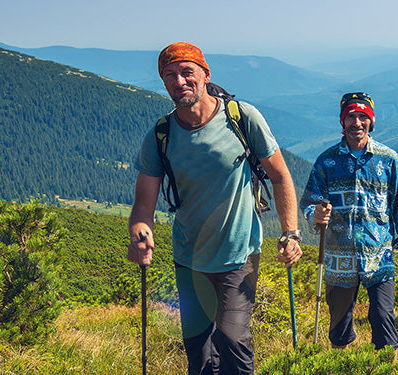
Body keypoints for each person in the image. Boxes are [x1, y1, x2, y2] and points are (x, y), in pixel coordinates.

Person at [127, 42, 302, 375]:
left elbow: (280, 176)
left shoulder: (241, 118)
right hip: (189, 260)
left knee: (233, 341)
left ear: (205, 75)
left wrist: (290, 231)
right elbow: (142, 208)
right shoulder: (160, 136)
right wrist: (140, 233)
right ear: (163, 83)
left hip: (239, 255)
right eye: (170, 76)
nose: (179, 81)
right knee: (199, 353)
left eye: (186, 72)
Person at [300, 92, 398, 351]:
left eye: (362, 117)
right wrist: (315, 215)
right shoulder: (327, 161)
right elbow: (310, 200)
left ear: (371, 122)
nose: (357, 123)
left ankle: (388, 368)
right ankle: (341, 365)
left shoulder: (388, 159)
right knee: (339, 326)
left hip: (379, 253)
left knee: (383, 317)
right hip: (337, 256)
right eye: (350, 117)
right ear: (342, 123)